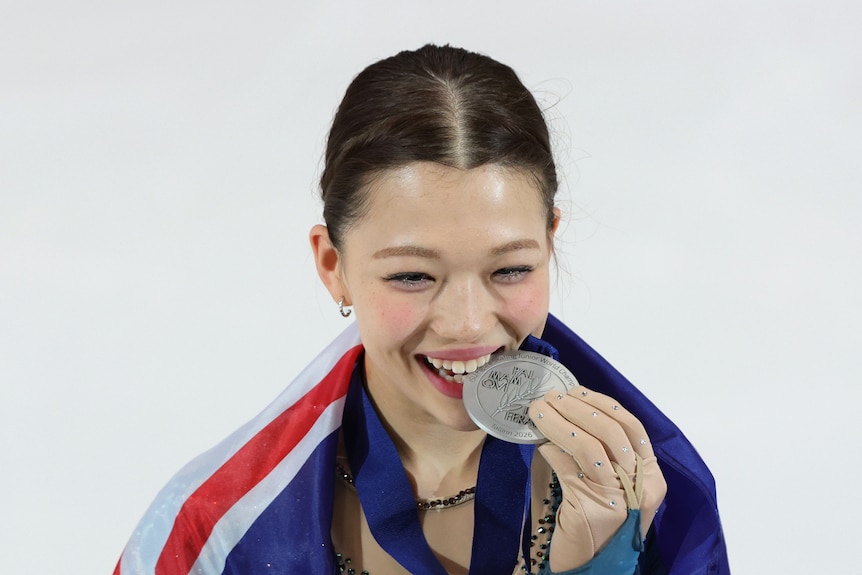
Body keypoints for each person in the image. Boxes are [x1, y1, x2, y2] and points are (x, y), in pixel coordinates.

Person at [113, 45, 729, 575]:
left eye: (510, 268)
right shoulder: (213, 532)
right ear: (333, 266)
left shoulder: (658, 490)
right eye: (412, 275)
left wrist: (604, 561)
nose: (467, 323)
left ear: (550, 243)